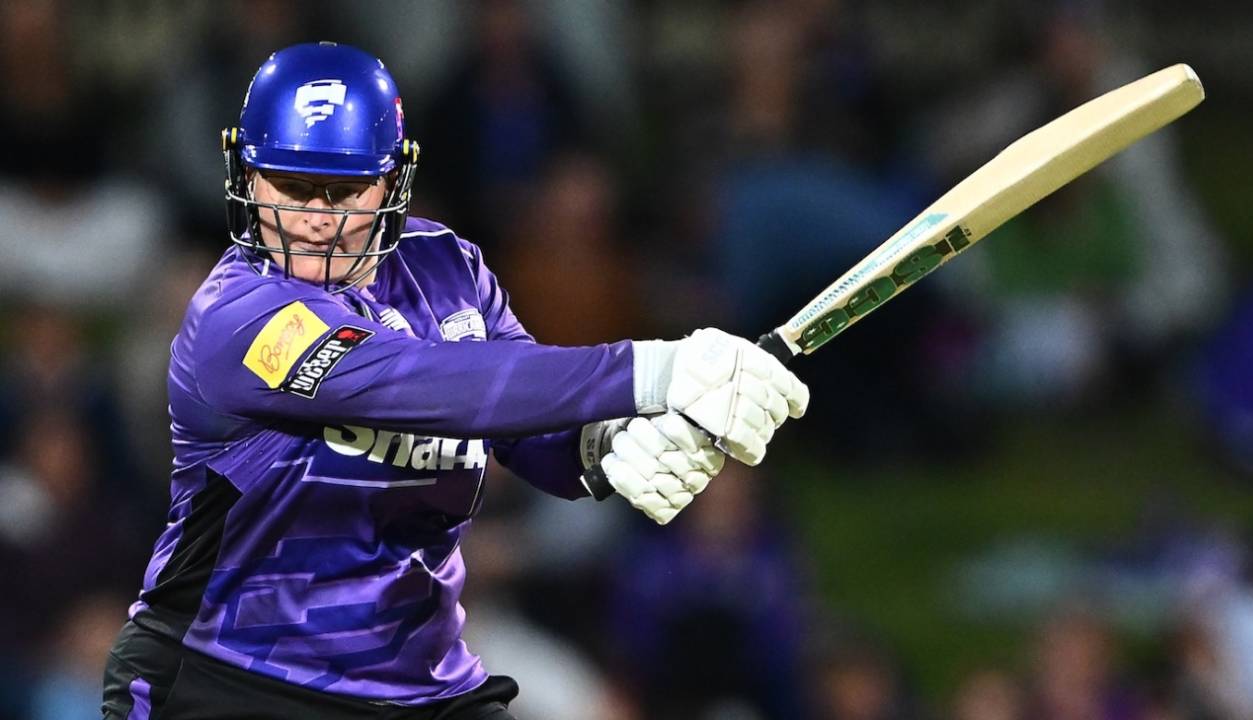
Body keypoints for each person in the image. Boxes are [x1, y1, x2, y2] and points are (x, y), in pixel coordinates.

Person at [100, 42, 808, 720]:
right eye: (289, 186)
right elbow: (415, 382)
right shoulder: (238, 315)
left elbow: (524, 415)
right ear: (244, 177)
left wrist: (606, 448)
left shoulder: (446, 269)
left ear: (393, 180)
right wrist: (656, 369)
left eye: (345, 190)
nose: (313, 220)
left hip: (419, 687)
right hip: (231, 680)